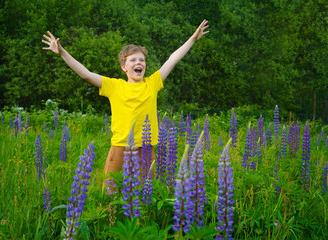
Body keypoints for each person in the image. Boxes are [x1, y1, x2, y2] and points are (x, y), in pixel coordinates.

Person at [42, 19, 209, 183]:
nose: (138, 63)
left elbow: (173, 58)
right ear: (124, 67)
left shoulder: (152, 83)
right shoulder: (115, 86)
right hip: (120, 146)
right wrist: (62, 52)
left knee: (146, 193)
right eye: (133, 60)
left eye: (142, 60)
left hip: (145, 147)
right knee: (111, 191)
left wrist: (192, 39)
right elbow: (85, 73)